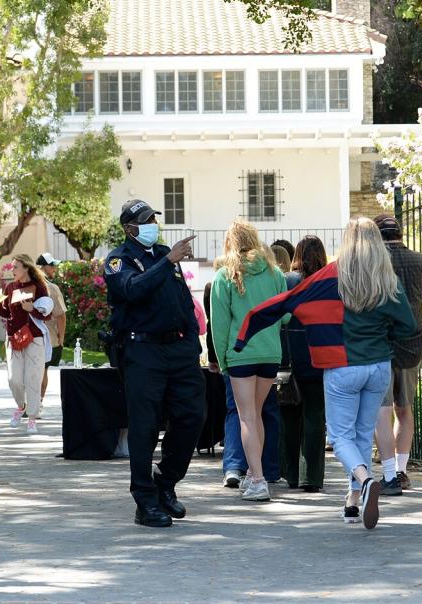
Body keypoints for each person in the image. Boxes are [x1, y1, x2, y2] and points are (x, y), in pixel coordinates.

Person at [235, 218, 417, 529]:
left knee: (339, 435)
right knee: (361, 433)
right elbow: (408, 326)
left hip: (341, 365)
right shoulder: (387, 279)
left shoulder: (328, 276)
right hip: (378, 368)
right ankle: (353, 499)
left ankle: (364, 479)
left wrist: (244, 336)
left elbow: (287, 302)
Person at [104, 198, 205, 527]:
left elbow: (182, 302)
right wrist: (168, 262)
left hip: (179, 350)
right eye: (145, 220)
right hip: (142, 351)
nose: (152, 224)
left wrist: (192, 342)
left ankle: (165, 484)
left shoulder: (163, 255)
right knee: (145, 425)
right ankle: (145, 501)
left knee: (192, 416)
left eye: (152, 218)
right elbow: (132, 291)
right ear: (129, 228)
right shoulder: (119, 261)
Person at [210, 221, 287, 502]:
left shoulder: (224, 276)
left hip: (241, 352)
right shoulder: (274, 272)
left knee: (246, 417)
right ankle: (259, 474)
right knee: (256, 414)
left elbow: (219, 324)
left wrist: (222, 360)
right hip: (269, 352)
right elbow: (286, 313)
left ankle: (257, 480)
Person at [371, 214, 422, 494]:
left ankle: (387, 472)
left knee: (381, 411)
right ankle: (402, 469)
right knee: (405, 409)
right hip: (412, 344)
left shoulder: (374, 263)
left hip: (381, 344)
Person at [279, 235, 328, 493]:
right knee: (315, 416)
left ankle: (291, 473)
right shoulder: (328, 280)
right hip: (319, 355)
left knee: (289, 416)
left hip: (290, 358)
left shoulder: (287, 281)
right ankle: (312, 476)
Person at [0, 253, 52, 434]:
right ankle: (21, 407)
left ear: (26, 268)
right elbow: (8, 314)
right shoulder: (9, 287)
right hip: (13, 338)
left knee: (32, 379)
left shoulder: (40, 287)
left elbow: (47, 314)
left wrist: (32, 309)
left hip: (34, 338)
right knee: (14, 379)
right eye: (12, 267)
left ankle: (32, 418)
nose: (12, 270)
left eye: (15, 267)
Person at [36, 252, 67, 414]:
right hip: (47, 337)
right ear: (42, 268)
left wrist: (61, 337)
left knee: (40, 369)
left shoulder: (29, 286)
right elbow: (61, 316)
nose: (54, 268)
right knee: (41, 370)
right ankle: (37, 402)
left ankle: (36, 402)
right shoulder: (51, 288)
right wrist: (61, 337)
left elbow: (61, 316)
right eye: (51, 265)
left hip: (41, 337)